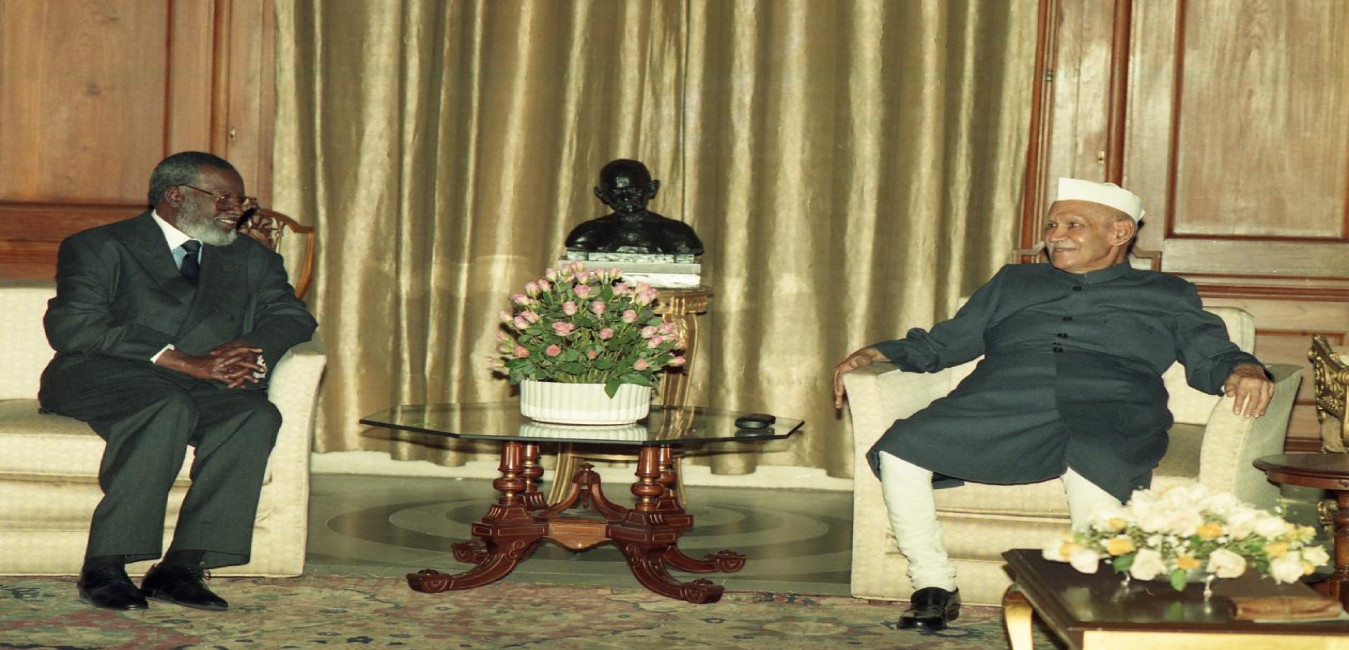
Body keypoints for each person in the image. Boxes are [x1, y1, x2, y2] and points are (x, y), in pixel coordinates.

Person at [831, 178, 1274, 631]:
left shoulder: (1168, 293)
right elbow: (948, 342)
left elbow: (1211, 354)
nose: (1055, 236)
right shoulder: (1013, 281)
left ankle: (1097, 592)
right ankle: (932, 584)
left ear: (1120, 232)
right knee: (901, 447)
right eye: (1051, 225)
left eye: (1073, 225)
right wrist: (877, 353)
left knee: (1095, 458)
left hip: (1113, 401)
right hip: (1003, 396)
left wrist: (1245, 370)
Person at [40, 151, 318, 611]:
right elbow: (75, 327)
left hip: (201, 382)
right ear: (175, 195)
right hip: (105, 374)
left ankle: (182, 566)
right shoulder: (101, 246)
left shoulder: (250, 256)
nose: (236, 209)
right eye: (223, 198)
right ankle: (105, 565)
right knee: (165, 406)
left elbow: (291, 316)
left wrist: (248, 347)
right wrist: (186, 362)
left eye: (241, 200)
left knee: (253, 415)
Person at [564, 159, 704, 256]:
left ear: (652, 189)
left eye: (633, 190)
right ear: (602, 194)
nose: (625, 198)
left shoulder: (678, 233)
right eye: (616, 192)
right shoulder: (586, 234)